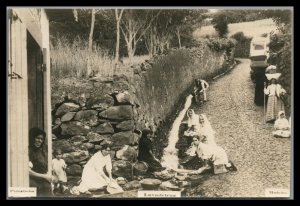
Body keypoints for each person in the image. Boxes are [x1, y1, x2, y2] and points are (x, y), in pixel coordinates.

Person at [28, 127, 53, 197]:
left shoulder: (42, 151)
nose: (40, 141)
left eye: (42, 139)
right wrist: (44, 176)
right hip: (32, 180)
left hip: (43, 179)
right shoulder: (28, 151)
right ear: (32, 138)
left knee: (47, 188)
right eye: (37, 138)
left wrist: (48, 175)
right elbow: (27, 171)